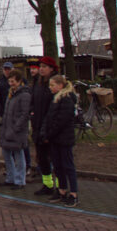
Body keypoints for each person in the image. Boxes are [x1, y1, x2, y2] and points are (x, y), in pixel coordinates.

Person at [41, 75, 79, 207]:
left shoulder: (66, 99)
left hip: (64, 139)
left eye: (52, 85)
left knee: (68, 166)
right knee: (57, 166)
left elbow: (61, 121)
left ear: (60, 86)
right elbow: (49, 117)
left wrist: (49, 133)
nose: (50, 88)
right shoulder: (55, 99)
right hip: (55, 139)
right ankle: (62, 190)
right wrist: (46, 133)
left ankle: (73, 193)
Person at [31, 56, 58, 196]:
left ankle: (60, 186)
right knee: (42, 158)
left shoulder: (54, 85)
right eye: (40, 66)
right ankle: (47, 185)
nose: (41, 69)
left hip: (50, 128)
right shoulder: (37, 83)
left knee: (55, 158)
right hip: (37, 125)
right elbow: (33, 101)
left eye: (44, 66)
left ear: (51, 69)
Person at [1, 70, 30, 189]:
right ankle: (10, 177)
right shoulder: (10, 94)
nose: (10, 83)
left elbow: (24, 114)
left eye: (13, 81)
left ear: (19, 81)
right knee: (6, 154)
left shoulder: (24, 95)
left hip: (16, 131)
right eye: (9, 81)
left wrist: (16, 127)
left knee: (19, 155)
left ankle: (20, 180)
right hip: (7, 128)